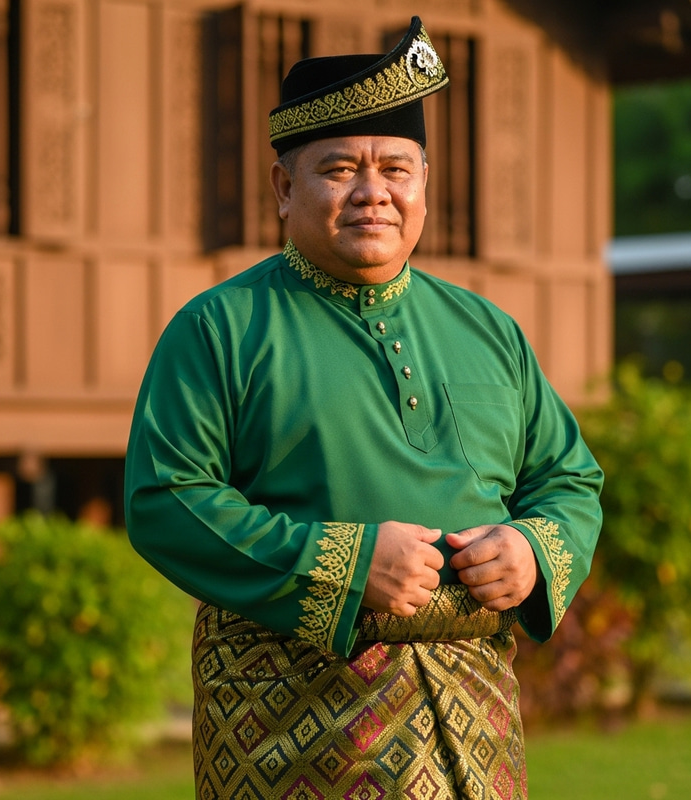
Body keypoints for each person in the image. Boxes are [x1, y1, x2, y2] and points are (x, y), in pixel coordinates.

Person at [125, 16, 603, 799]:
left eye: (396, 169)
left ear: (424, 183)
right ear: (284, 187)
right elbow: (164, 501)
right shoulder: (219, 329)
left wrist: (533, 548)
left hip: (475, 719)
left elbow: (568, 479)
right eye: (339, 168)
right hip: (293, 728)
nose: (372, 193)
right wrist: (342, 564)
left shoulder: (489, 330)